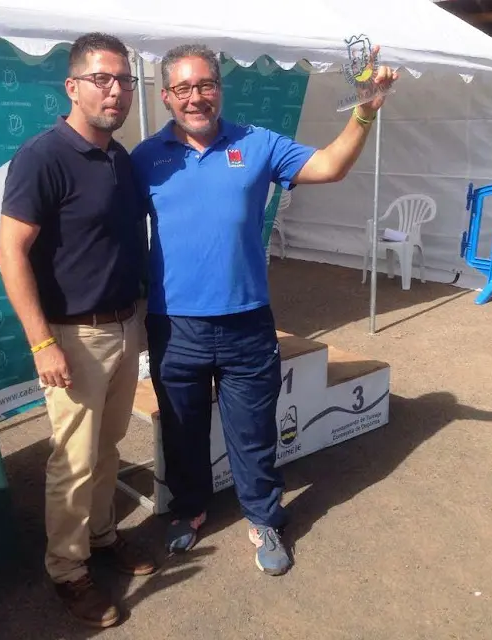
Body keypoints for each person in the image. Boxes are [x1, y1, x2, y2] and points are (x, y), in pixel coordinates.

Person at [131, 44, 397, 577]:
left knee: (253, 432)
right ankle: (189, 508)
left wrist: (365, 111)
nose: (195, 97)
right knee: (181, 430)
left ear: (219, 88)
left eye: (205, 85)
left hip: (247, 321)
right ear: (165, 96)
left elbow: (330, 166)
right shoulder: (144, 158)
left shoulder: (257, 143)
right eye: (183, 88)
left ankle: (263, 517)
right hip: (174, 325)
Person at [0, 32, 155, 628]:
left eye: (124, 81)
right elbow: (11, 252)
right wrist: (42, 343)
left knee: (108, 447)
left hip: (123, 326)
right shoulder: (43, 156)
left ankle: (102, 535)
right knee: (74, 460)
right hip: (73, 337)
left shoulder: (119, 157)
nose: (115, 91)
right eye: (101, 79)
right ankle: (67, 568)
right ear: (72, 86)